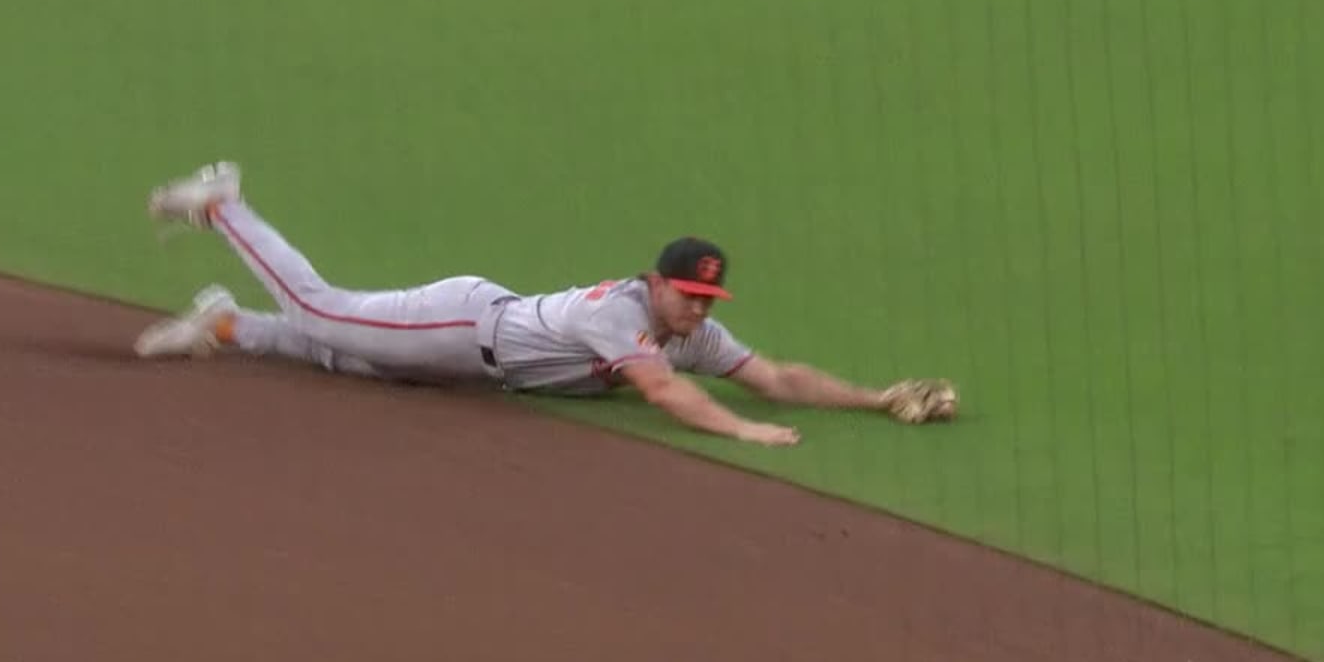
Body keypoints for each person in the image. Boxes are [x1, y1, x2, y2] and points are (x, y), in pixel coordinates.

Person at [132, 162, 958, 445]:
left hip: (471, 364)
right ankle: (221, 205)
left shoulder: (691, 334)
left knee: (343, 355)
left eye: (709, 299)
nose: (701, 312)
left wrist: (875, 397)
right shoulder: (622, 315)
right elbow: (665, 392)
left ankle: (226, 323)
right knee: (326, 313)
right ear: (658, 283)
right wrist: (740, 430)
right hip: (464, 324)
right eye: (691, 296)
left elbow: (776, 377)